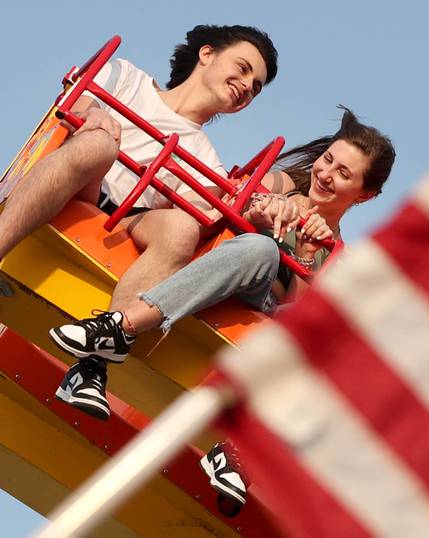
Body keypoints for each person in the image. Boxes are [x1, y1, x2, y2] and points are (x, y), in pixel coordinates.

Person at [49, 107, 396, 504]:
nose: (327, 174)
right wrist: (264, 212)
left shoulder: (337, 258)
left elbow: (297, 318)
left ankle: (242, 450)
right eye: (328, 159)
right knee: (260, 249)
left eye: (344, 174)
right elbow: (241, 204)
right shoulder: (281, 184)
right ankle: (119, 327)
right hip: (217, 274)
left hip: (256, 327)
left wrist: (306, 252)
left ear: (365, 195)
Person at [0, 25, 278, 332]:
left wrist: (249, 211)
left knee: (182, 229)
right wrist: (95, 114)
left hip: (129, 219)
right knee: (99, 143)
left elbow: (199, 220)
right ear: (207, 54)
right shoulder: (128, 78)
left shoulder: (207, 159)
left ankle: (102, 345)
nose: (246, 85)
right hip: (84, 179)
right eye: (243, 69)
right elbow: (74, 105)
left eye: (256, 86)